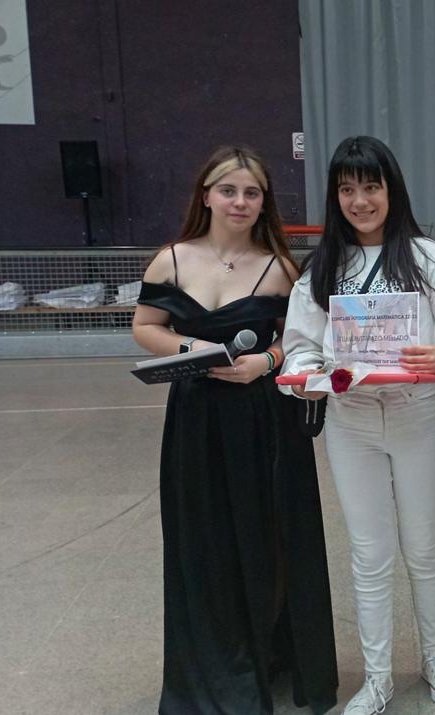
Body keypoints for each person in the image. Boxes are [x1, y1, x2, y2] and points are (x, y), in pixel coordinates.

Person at [132, 146, 338, 714]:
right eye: (228, 191)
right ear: (206, 196)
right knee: (203, 537)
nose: (240, 202)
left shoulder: (280, 268)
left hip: (263, 420)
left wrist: (264, 362)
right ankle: (215, 657)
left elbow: (297, 339)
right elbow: (145, 326)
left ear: (263, 201)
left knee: (264, 536)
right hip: (196, 418)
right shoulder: (171, 261)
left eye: (251, 193)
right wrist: (194, 350)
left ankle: (266, 648)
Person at [280, 136, 435, 714]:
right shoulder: (321, 267)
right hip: (351, 422)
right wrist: (312, 375)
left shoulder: (429, 259)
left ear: (392, 189)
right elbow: (300, 347)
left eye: (371, 187)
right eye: (347, 189)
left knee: (424, 547)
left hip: (418, 417)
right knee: (369, 552)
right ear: (335, 196)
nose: (360, 201)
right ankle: (377, 675)